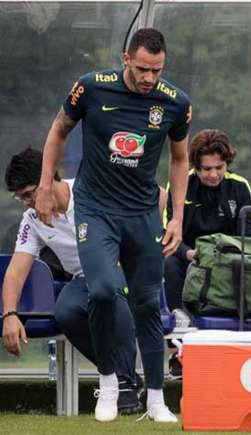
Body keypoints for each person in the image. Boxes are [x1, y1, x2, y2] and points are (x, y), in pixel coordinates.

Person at [35, 28, 190, 423]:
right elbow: (58, 131)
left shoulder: (174, 103)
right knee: (103, 291)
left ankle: (156, 400)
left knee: (145, 306)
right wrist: (44, 186)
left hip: (142, 214)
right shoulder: (90, 88)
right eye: (142, 69)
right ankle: (108, 384)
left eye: (156, 70)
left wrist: (176, 216)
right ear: (125, 59)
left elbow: (179, 158)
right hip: (97, 209)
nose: (149, 78)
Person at [1, 148, 143, 414]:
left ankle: (124, 383)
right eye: (21, 198)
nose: (28, 203)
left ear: (48, 179)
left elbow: (158, 196)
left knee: (110, 291)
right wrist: (9, 314)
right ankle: (120, 376)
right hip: (82, 278)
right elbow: (15, 272)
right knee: (65, 312)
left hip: (121, 270)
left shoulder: (92, 189)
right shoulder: (31, 220)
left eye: (30, 194)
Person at [163, 129, 251, 315]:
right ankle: (177, 321)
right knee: (170, 263)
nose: (213, 174)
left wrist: (226, 256)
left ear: (227, 163)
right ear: (195, 166)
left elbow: (250, 236)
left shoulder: (240, 187)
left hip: (228, 259)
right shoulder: (180, 185)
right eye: (206, 169)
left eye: (219, 167)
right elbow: (167, 234)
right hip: (188, 255)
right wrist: (189, 254)